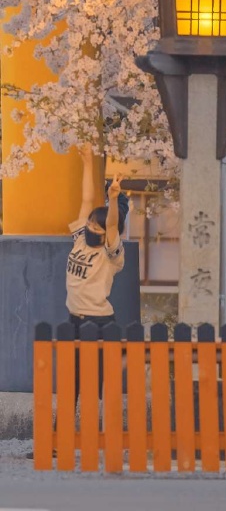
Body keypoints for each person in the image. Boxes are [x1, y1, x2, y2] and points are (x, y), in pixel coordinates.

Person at [66, 145, 126, 401]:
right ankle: (64, 435)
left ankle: (99, 434)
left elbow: (111, 223)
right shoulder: (80, 240)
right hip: (74, 319)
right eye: (90, 223)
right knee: (72, 382)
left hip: (100, 322)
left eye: (95, 227)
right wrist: (88, 163)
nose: (90, 227)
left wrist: (112, 198)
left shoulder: (110, 253)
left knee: (96, 385)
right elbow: (86, 201)